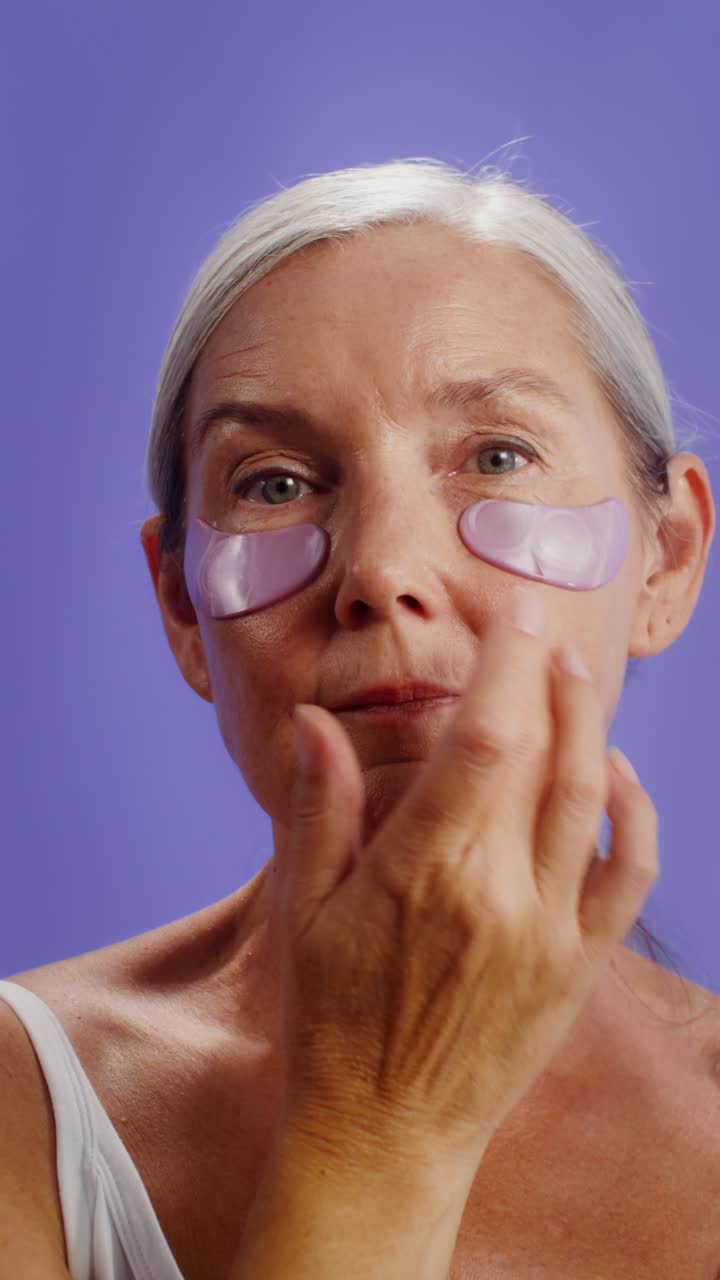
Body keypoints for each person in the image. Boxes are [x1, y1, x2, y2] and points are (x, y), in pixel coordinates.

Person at [1, 158, 718, 1280]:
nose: (382, 571)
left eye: (498, 454)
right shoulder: (21, 1104)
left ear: (668, 555)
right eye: (277, 482)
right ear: (183, 605)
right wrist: (382, 1131)